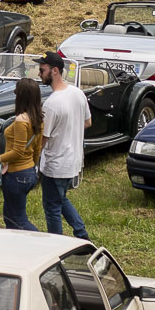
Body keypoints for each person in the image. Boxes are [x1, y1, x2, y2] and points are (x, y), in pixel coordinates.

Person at [36, 52, 91, 240]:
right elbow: (88, 122)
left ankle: (56, 245)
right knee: (61, 199)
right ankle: (81, 234)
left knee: (52, 207)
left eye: (42, 70)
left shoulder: (51, 104)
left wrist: (31, 160)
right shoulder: (77, 93)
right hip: (73, 162)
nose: (39, 74)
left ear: (55, 71)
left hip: (55, 165)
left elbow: (43, 139)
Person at [0, 77, 44, 230]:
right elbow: (37, 149)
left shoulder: (20, 121)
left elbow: (17, 152)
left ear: (21, 96)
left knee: (17, 220)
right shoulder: (38, 119)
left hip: (16, 174)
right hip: (29, 171)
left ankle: (41, 243)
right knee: (10, 217)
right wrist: (33, 168)